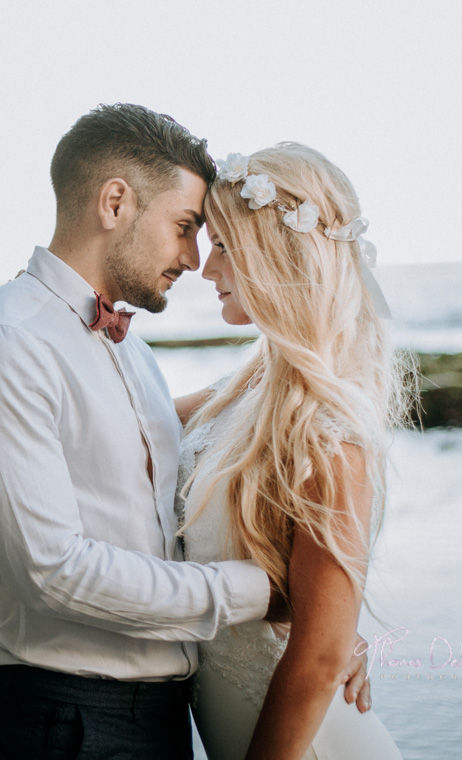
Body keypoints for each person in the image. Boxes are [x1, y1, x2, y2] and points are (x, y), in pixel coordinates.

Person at [0, 105, 368, 759]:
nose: (194, 259)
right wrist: (273, 596)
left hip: (166, 719)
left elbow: (194, 494)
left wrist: (329, 618)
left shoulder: (132, 352)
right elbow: (55, 573)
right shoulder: (3, 346)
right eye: (187, 227)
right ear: (114, 202)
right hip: (67, 722)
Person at [174, 143, 408, 759]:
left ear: (272, 257)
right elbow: (132, 421)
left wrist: (337, 625)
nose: (205, 268)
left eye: (222, 245)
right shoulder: (244, 391)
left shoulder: (328, 433)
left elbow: (321, 657)